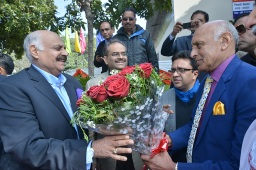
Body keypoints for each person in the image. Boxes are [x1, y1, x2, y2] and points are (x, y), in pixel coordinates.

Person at [0, 30, 134, 170]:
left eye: (64, 48)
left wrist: (108, 128)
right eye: (58, 48)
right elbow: (27, 147)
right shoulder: (12, 88)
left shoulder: (73, 83)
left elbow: (82, 123)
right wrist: (90, 151)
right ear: (34, 51)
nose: (65, 53)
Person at [141, 20, 256, 169]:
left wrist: (175, 168)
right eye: (192, 46)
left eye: (199, 45)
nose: (193, 53)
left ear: (224, 41)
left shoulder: (249, 81)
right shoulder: (207, 81)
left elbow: (240, 164)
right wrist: (169, 139)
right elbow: (196, 125)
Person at [87, 39, 144, 170]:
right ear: (105, 59)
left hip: (136, 150)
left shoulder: (140, 81)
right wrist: (94, 156)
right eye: (115, 54)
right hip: (109, 152)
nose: (121, 57)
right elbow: (90, 123)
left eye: (123, 54)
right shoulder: (94, 84)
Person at [161, 50, 199, 163]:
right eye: (173, 70)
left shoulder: (206, 95)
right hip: (172, 160)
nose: (175, 74)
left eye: (182, 70)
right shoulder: (164, 98)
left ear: (195, 74)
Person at [113, 7, 159, 72]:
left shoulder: (145, 35)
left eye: (130, 19)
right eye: (125, 19)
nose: (128, 21)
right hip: (122, 78)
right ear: (122, 21)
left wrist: (155, 77)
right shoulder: (116, 38)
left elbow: (153, 58)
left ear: (135, 20)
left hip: (143, 77)